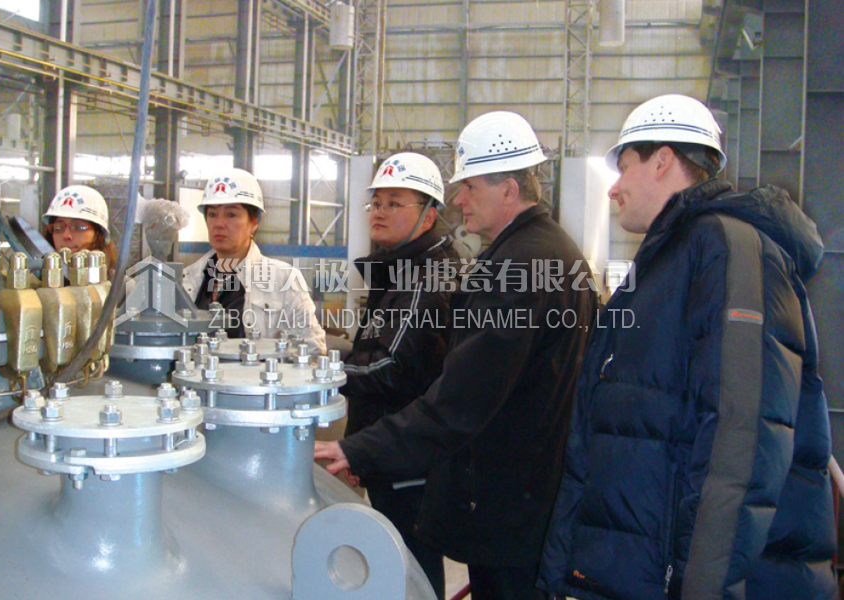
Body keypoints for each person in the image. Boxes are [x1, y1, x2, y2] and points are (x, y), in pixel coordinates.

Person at [537, 94, 838, 600]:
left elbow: (740, 442)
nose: (613, 188)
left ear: (661, 161)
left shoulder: (729, 251)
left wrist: (700, 588)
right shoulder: (670, 258)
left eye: (623, 167)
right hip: (639, 573)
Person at [316, 112, 597, 600]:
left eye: (468, 186)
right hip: (531, 491)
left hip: (509, 500)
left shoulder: (519, 267)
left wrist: (359, 448)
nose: (459, 199)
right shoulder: (554, 252)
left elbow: (461, 399)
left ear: (509, 189)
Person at [342, 152, 457, 599]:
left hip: (410, 458)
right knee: (397, 567)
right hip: (390, 450)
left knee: (413, 573)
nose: (379, 212)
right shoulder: (399, 268)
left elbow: (388, 367)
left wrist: (323, 370)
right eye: (376, 202)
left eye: (394, 203)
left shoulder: (428, 277)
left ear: (428, 216)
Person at [182, 168, 325, 352]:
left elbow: (312, 348)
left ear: (254, 222)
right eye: (212, 214)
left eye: (231, 214)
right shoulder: (188, 280)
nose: (218, 224)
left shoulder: (283, 279)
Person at [43, 185, 118, 271]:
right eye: (58, 228)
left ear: (97, 234)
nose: (66, 235)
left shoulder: (119, 279)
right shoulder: (37, 276)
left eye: (78, 227)